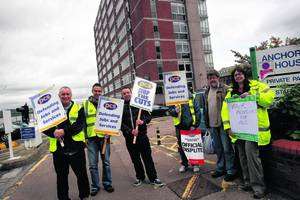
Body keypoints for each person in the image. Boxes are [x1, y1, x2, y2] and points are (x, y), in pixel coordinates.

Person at [221, 66, 275, 199]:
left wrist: (254, 96)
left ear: (245, 75)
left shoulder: (257, 86)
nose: (238, 76)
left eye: (240, 74)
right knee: (243, 157)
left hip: (253, 131)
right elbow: (225, 110)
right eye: (235, 75)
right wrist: (228, 127)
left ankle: (259, 188)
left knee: (252, 159)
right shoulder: (230, 92)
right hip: (239, 131)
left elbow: (269, 99)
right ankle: (248, 182)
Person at [43, 86, 90, 200]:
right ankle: (63, 198)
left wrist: (63, 131)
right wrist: (53, 133)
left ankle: (84, 196)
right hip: (59, 150)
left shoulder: (79, 108)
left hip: (76, 148)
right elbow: (44, 127)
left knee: (82, 175)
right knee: (61, 177)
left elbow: (79, 126)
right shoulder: (49, 110)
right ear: (59, 96)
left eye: (68, 94)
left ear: (71, 95)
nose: (65, 96)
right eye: (63, 94)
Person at [120, 87, 164, 188]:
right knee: (135, 159)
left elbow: (149, 117)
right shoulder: (121, 108)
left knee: (147, 158)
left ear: (131, 93)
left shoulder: (139, 104)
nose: (126, 94)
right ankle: (140, 177)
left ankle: (153, 178)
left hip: (142, 137)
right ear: (122, 95)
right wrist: (130, 131)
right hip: (130, 138)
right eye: (124, 93)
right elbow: (120, 124)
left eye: (128, 92)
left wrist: (142, 121)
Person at [204, 69, 237, 181]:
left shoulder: (226, 89)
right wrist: (207, 123)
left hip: (224, 124)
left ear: (218, 78)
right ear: (208, 80)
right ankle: (220, 168)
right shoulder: (207, 91)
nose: (212, 79)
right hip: (212, 125)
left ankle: (230, 170)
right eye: (210, 78)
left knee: (227, 148)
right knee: (218, 148)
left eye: (214, 77)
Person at [83, 83, 114, 196]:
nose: (97, 93)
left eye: (99, 91)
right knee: (92, 165)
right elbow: (83, 123)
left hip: (104, 138)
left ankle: (107, 183)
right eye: (95, 91)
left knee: (106, 163)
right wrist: (85, 137)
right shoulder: (85, 104)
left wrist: (110, 133)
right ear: (92, 91)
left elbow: (113, 120)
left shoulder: (108, 103)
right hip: (91, 139)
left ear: (102, 92)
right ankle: (95, 186)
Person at [169, 91, 201, 173]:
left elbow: (197, 111)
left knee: (193, 146)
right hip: (179, 127)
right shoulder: (173, 97)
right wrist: (174, 111)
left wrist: (194, 125)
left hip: (191, 126)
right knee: (181, 147)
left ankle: (195, 164)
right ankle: (184, 164)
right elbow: (170, 111)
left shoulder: (191, 97)